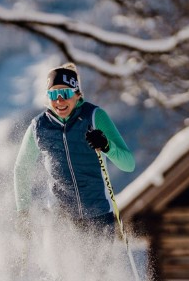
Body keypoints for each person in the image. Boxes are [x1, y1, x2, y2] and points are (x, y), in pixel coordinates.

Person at [13, 63, 135, 236]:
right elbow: (22, 169)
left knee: (99, 264)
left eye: (66, 93)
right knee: (61, 263)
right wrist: (23, 212)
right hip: (60, 219)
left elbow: (128, 164)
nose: (59, 100)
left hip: (98, 216)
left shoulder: (94, 116)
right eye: (54, 94)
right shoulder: (39, 127)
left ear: (77, 94)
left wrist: (106, 145)